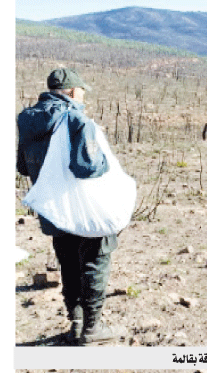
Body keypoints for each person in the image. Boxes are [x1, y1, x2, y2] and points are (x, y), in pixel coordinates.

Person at [17, 68, 125, 346]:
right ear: (73, 92)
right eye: (82, 93)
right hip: (82, 207)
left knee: (67, 262)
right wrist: (105, 160)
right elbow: (88, 168)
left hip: (53, 209)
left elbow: (21, 165)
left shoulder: (27, 120)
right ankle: (92, 329)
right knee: (94, 261)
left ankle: (76, 325)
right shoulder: (78, 120)